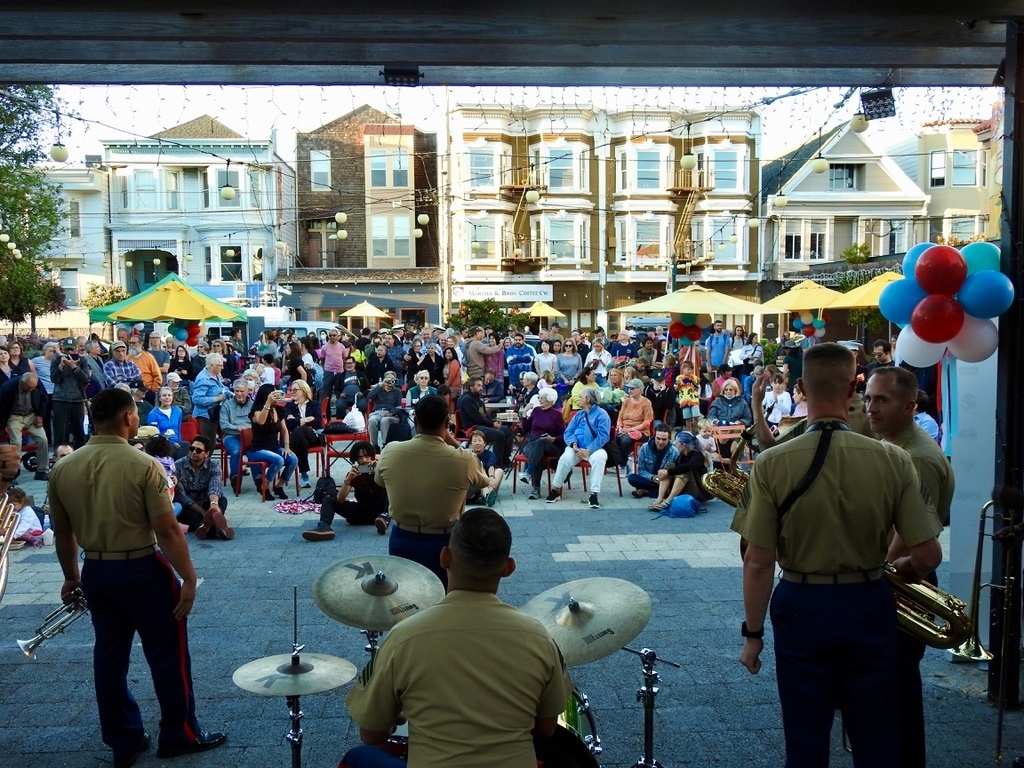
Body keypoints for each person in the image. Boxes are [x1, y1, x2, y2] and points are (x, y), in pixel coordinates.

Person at [732, 342, 942, 768]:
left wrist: (753, 636)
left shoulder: (771, 462)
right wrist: (897, 568)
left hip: (801, 602)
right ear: (853, 388)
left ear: (802, 389)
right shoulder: (895, 460)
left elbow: (758, 560)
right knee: (875, 734)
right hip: (868, 598)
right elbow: (928, 554)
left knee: (805, 733)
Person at [47, 387, 226, 766]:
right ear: (130, 417)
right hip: (143, 567)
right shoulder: (144, 464)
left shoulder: (63, 467)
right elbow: (168, 529)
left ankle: (123, 739)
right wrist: (189, 578)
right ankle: (178, 733)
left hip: (96, 568)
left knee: (109, 657)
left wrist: (70, 576)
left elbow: (64, 533)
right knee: (167, 654)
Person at [342, 507, 570, 768]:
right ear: (508, 567)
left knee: (359, 756)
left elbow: (371, 733)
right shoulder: (538, 636)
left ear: (444, 557)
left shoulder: (403, 637)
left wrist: (403, 714)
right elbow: (547, 728)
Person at [864, 365, 953, 768]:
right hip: (894, 577)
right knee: (887, 692)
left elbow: (910, 544)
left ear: (909, 406)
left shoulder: (917, 458)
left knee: (896, 690)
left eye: (881, 400)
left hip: (902, 582)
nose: (871, 408)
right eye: (868, 398)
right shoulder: (895, 448)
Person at [374, 394, 489, 587]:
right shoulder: (463, 458)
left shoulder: (391, 451)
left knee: (405, 598)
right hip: (445, 539)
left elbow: (379, 481)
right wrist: (452, 441)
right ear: (447, 423)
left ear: (416, 421)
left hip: (402, 537)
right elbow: (483, 480)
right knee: (443, 597)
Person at [303, 440, 390, 541]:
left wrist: (378, 471)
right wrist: (348, 481)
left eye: (367, 456)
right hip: (361, 512)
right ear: (356, 459)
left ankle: (384, 519)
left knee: (389, 492)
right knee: (329, 499)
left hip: (380, 512)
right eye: (360, 457)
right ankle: (324, 526)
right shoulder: (355, 474)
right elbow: (340, 499)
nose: (364, 460)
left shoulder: (381, 469)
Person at [545, 385, 609, 509]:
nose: (578, 399)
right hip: (576, 448)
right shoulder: (579, 414)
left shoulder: (602, 415)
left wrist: (588, 450)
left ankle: (594, 494)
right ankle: (556, 489)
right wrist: (573, 443)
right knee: (564, 458)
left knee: (600, 458)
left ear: (588, 400)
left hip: (593, 449)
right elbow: (568, 432)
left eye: (580, 397)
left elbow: (603, 437)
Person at [172, 434, 231, 539]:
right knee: (193, 516)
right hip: (189, 507)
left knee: (222, 500)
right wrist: (204, 512)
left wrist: (213, 505)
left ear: (206, 454)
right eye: (192, 449)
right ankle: (218, 529)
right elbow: (181, 496)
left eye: (198, 450)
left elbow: (215, 486)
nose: (194, 452)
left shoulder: (213, 465)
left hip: (206, 502)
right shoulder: (178, 466)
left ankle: (208, 525)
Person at [248, 383, 298, 500]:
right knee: (279, 460)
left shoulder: (279, 410)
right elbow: (261, 421)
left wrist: (286, 446)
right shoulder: (256, 410)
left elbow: (284, 430)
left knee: (293, 459)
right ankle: (264, 486)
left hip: (274, 447)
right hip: (258, 448)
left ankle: (279, 486)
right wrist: (268, 403)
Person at [0, 371, 49, 481]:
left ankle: (42, 470)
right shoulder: (8, 388)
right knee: (16, 442)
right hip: (14, 416)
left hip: (31, 415)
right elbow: (1, 408)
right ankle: (14, 472)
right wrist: (2, 427)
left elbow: (44, 399)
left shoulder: (37, 384)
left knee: (43, 439)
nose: (32, 390)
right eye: (29, 387)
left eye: (33, 388)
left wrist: (40, 416)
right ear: (22, 382)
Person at [519, 388, 566, 500]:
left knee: (540, 443)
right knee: (538, 452)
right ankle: (535, 488)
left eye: (543, 398)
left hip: (551, 445)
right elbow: (526, 429)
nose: (539, 399)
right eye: (540, 397)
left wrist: (553, 438)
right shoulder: (536, 411)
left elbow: (564, 435)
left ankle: (529, 475)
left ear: (550, 400)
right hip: (532, 443)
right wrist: (525, 413)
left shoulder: (556, 415)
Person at [457, 376, 514, 467]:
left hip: (482, 425)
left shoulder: (478, 400)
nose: (481, 388)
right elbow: (477, 417)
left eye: (481, 386)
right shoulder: (467, 399)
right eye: (478, 386)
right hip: (472, 428)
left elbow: (485, 416)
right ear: (471, 387)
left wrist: (494, 423)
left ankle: (505, 460)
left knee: (507, 430)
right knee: (499, 435)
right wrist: (492, 425)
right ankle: (497, 464)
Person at [50, 337, 91, 449]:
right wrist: (61, 366)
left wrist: (74, 367)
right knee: (60, 431)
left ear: (76, 348)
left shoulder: (82, 360)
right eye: (67, 350)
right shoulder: (56, 359)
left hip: (77, 399)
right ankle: (59, 454)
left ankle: (80, 455)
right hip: (60, 399)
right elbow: (54, 379)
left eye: (72, 350)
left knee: (79, 431)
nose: (69, 353)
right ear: (63, 349)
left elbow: (87, 379)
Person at [282, 379, 323, 487]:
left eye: (295, 390)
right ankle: (304, 475)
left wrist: (297, 421)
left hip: (313, 436)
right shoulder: (289, 406)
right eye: (291, 390)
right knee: (302, 441)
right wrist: (305, 420)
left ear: (304, 391)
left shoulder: (314, 404)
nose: (293, 392)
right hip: (300, 439)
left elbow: (318, 421)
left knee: (302, 429)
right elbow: (287, 423)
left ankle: (288, 457)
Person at [627, 425, 678, 501]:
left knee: (673, 487)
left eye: (664, 439)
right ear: (654, 437)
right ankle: (656, 491)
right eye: (658, 438)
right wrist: (652, 478)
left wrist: (663, 479)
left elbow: (675, 473)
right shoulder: (644, 448)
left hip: (665, 481)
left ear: (669, 439)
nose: (660, 442)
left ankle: (645, 491)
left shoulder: (674, 451)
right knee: (632, 478)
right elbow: (641, 470)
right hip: (649, 479)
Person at [220, 378, 254, 487]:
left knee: (255, 452)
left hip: (250, 435)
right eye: (237, 391)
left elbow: (257, 423)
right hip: (232, 435)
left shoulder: (253, 405)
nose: (239, 394)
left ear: (248, 391)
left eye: (242, 391)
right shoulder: (227, 405)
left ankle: (259, 480)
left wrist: (247, 430)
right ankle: (236, 479)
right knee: (236, 451)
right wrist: (237, 428)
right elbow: (224, 425)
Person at [615, 378, 654, 468]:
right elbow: (620, 417)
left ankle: (623, 465)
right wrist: (620, 427)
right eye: (629, 388)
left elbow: (647, 422)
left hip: (640, 430)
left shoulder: (646, 403)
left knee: (625, 440)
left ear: (640, 389)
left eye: (633, 388)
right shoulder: (626, 401)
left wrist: (630, 429)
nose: (630, 391)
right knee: (613, 437)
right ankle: (615, 462)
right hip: (625, 428)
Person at [191, 352, 229, 443]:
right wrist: (216, 398)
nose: (222, 368)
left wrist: (230, 393)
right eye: (220, 365)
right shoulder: (203, 379)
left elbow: (221, 388)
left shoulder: (216, 374)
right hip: (205, 415)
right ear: (212, 365)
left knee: (212, 441)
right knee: (209, 443)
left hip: (214, 413)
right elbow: (196, 399)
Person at [367, 372, 404, 449]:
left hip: (391, 414)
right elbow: (369, 396)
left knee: (384, 420)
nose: (390, 381)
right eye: (388, 379)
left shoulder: (397, 391)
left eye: (392, 379)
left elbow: (399, 406)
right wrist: (380, 385)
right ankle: (374, 445)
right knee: (372, 420)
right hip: (378, 412)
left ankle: (385, 444)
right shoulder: (379, 389)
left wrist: (392, 412)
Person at [466, 430, 503, 507]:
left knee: (499, 471)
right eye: (474, 441)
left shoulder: (490, 454)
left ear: (484, 443)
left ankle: (487, 495)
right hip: (475, 483)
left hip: (490, 484)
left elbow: (491, 466)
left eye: (480, 440)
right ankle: (486, 496)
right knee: (481, 483)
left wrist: (492, 477)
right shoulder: (468, 455)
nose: (477, 443)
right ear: (471, 443)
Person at [147, 386, 185, 452]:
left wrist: (179, 443)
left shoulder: (178, 411)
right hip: (162, 444)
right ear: (159, 398)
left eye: (169, 395)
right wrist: (172, 443)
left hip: (177, 442)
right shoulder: (153, 414)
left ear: (172, 397)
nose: (167, 397)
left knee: (186, 446)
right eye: (164, 395)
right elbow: (155, 435)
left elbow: (178, 430)